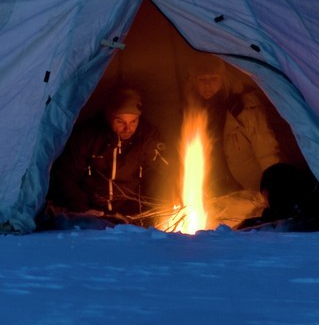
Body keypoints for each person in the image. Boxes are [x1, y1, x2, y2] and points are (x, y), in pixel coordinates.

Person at [47, 88, 167, 224]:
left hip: (132, 215)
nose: (128, 129)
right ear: (109, 116)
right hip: (93, 213)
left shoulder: (146, 137)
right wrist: (81, 209)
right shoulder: (88, 136)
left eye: (133, 121)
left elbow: (167, 169)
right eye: (120, 122)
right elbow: (66, 175)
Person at [186, 60, 285, 198]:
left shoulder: (244, 107)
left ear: (224, 79)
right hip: (218, 190)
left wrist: (273, 190)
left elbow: (267, 151)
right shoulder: (195, 112)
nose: (207, 84)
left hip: (252, 189)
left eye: (213, 78)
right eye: (202, 79)